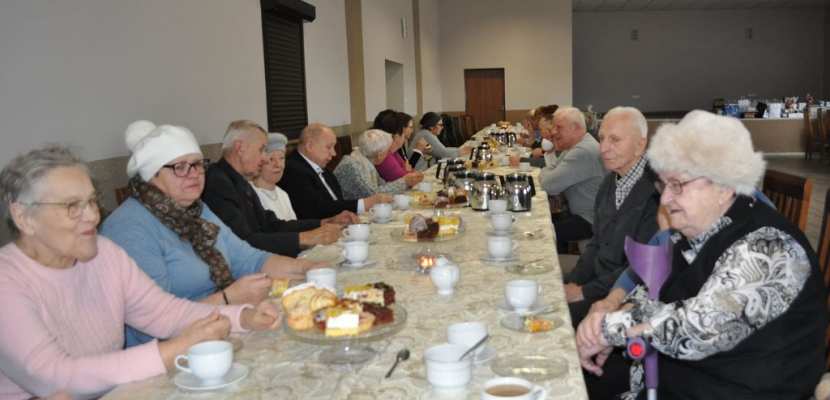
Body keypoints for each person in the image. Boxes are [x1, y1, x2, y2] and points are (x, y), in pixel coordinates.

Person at [576, 110, 827, 399]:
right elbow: (656, 298)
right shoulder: (695, 235)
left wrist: (608, 330)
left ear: (724, 185)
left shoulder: (768, 247)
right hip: (676, 378)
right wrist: (620, 316)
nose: (666, 199)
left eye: (677, 185)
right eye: (664, 186)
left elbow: (698, 329)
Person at [0, 145, 281, 399]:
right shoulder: (7, 280)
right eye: (73, 206)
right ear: (23, 216)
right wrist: (175, 349)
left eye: (92, 201)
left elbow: (162, 312)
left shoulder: (105, 253)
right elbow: (52, 377)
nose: (92, 216)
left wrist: (242, 316)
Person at [101, 121, 320, 346]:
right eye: (180, 167)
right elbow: (154, 324)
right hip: (169, 352)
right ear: (151, 175)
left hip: (221, 325)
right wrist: (228, 299)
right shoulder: (130, 228)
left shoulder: (197, 210)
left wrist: (308, 268)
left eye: (197, 164)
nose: (194, 174)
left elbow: (249, 258)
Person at [562, 107, 659, 326]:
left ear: (640, 145)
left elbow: (639, 268)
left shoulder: (657, 192)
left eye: (615, 140)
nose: (603, 148)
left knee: (557, 321)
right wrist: (573, 281)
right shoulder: (609, 183)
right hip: (596, 282)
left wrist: (583, 292)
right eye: (602, 138)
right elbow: (596, 243)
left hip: (623, 295)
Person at [202, 120, 355, 257]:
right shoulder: (218, 183)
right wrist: (307, 238)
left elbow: (271, 224)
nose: (264, 158)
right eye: (261, 150)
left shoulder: (238, 179)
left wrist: (324, 222)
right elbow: (243, 241)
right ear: (240, 148)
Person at [279, 123, 391, 220]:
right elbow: (316, 209)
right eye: (329, 147)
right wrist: (363, 204)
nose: (334, 153)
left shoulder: (322, 167)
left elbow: (336, 202)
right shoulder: (293, 170)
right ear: (309, 146)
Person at [538, 106, 605, 254]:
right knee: (542, 222)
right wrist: (548, 172)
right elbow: (550, 168)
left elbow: (548, 184)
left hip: (589, 219)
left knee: (540, 233)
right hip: (580, 213)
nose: (553, 132)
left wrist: (547, 173)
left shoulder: (582, 151)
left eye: (559, 127)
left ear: (575, 128)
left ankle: (555, 271)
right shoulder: (574, 147)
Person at [334, 129, 422, 199]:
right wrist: (404, 181)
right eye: (387, 151)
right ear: (380, 155)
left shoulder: (366, 159)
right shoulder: (353, 165)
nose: (389, 154)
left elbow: (381, 185)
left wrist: (405, 181)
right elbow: (373, 195)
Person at [251, 133, 299, 221]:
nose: (278, 165)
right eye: (271, 159)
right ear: (259, 162)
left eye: (281, 158)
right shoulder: (251, 194)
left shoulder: (283, 194)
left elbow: (294, 226)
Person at [372, 111, 428, 180]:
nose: (412, 130)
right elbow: (406, 178)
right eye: (410, 127)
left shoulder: (393, 150)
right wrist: (418, 150)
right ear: (396, 134)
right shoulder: (385, 154)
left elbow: (408, 169)